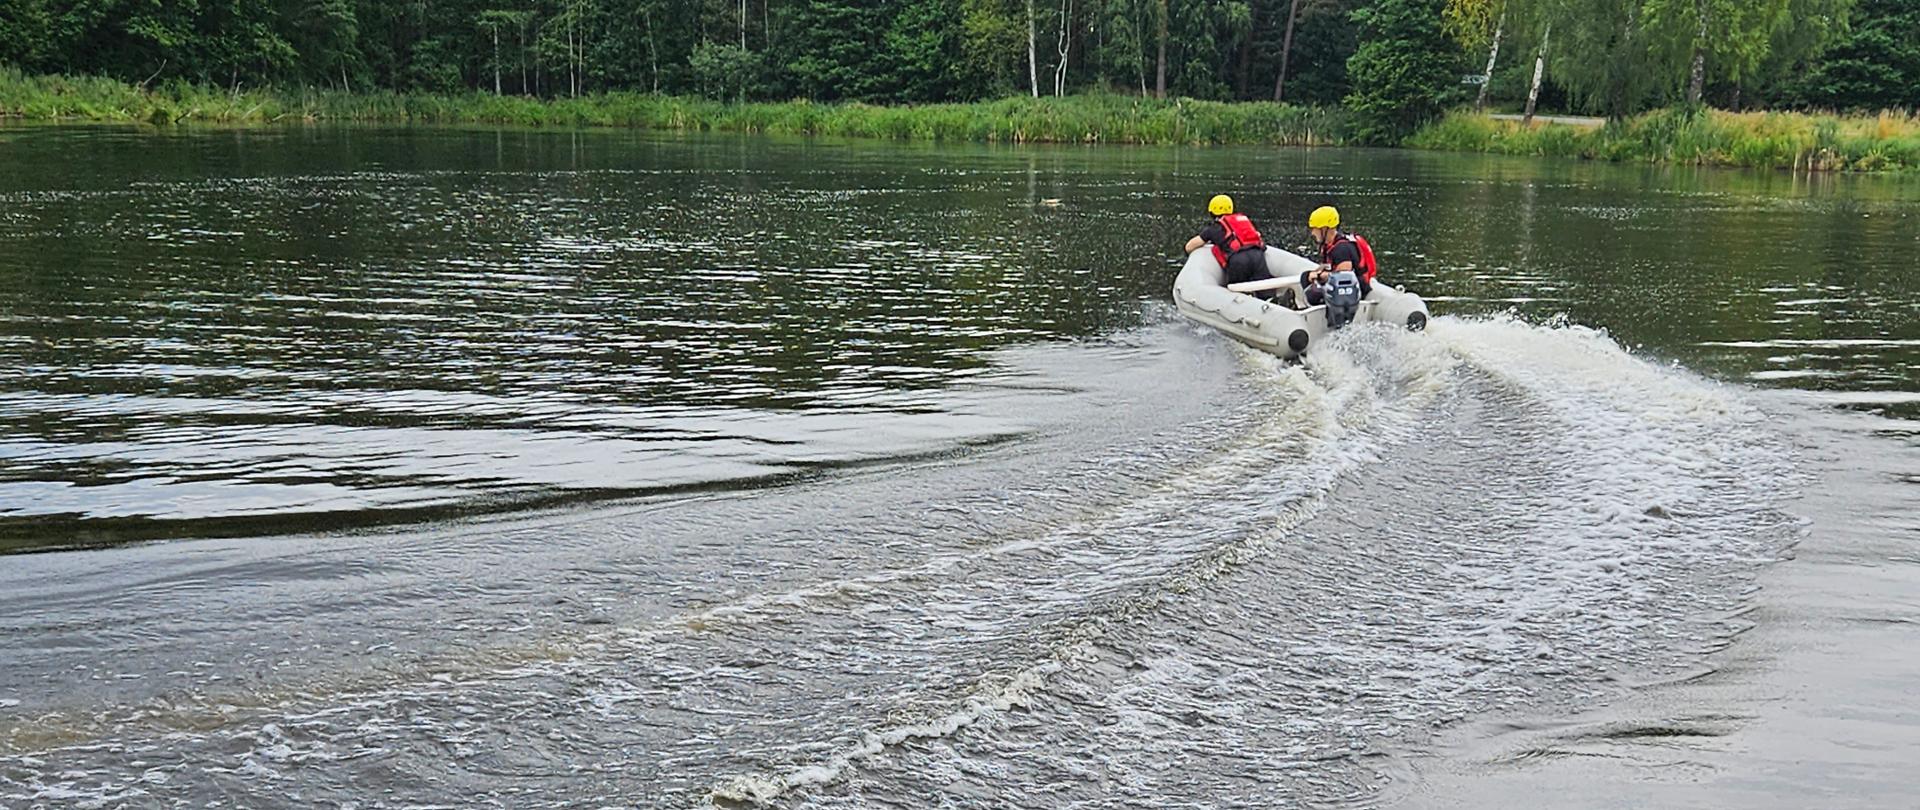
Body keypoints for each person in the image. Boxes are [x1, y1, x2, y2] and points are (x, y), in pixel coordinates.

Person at [1184, 194, 1273, 296]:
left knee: (1237, 294)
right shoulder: (1243, 220)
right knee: (1265, 291)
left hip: (1238, 260)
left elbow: (1189, 246)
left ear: (1212, 212)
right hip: (1258, 256)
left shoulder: (1214, 228)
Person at [1298, 205, 1377, 306]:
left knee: (1312, 290)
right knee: (1306, 276)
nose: (1313, 233)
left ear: (1325, 229)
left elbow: (1344, 279)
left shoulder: (1341, 249)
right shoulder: (1333, 244)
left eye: (1315, 229)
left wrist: (1318, 276)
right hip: (1349, 287)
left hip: (1354, 290)